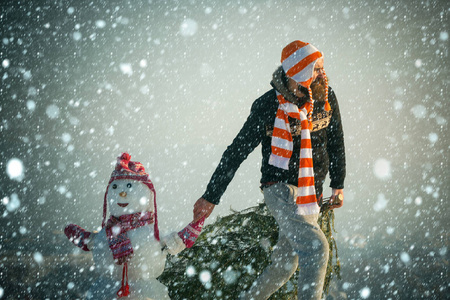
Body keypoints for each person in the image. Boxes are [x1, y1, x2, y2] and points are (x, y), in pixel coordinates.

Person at [193, 40, 346, 299]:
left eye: (322, 68)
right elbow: (236, 152)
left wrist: (338, 184)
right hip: (280, 189)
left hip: (311, 193)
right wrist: (211, 196)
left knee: (286, 265)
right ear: (298, 73)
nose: (323, 74)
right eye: (316, 69)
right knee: (317, 248)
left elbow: (336, 140)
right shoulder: (267, 106)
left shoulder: (326, 97)